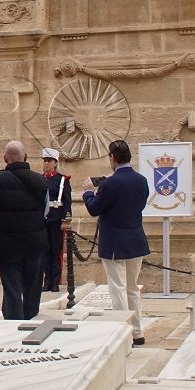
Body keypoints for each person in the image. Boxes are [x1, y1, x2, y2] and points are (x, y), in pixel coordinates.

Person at [0, 141, 49, 320]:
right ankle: (30, 314)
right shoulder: (40, 180)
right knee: (33, 281)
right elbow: (45, 210)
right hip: (33, 240)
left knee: (11, 283)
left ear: (5, 159)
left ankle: (13, 319)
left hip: (5, 243)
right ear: (25, 157)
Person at [81, 140, 150, 346]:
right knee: (132, 288)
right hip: (135, 238)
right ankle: (137, 331)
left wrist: (87, 192)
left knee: (118, 288)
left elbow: (94, 208)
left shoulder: (110, 183)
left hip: (114, 242)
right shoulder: (141, 180)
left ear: (112, 157)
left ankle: (123, 332)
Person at [40, 148, 73, 292]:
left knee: (56, 251)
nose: (46, 164)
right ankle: (47, 281)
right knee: (44, 251)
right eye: (45, 161)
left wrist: (66, 219)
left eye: (49, 161)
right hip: (43, 219)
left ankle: (55, 281)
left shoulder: (62, 180)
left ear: (55, 163)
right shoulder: (40, 179)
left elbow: (67, 201)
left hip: (56, 219)